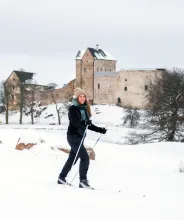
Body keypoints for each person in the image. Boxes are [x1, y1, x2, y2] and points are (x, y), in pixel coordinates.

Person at [57, 87, 107, 189]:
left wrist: (100, 130)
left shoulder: (84, 109)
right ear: (77, 97)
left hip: (80, 137)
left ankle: (61, 178)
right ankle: (83, 181)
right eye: (80, 96)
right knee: (84, 157)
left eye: (84, 96)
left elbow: (89, 125)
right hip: (73, 136)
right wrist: (85, 122)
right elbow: (75, 122)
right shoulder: (73, 108)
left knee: (72, 159)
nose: (82, 98)